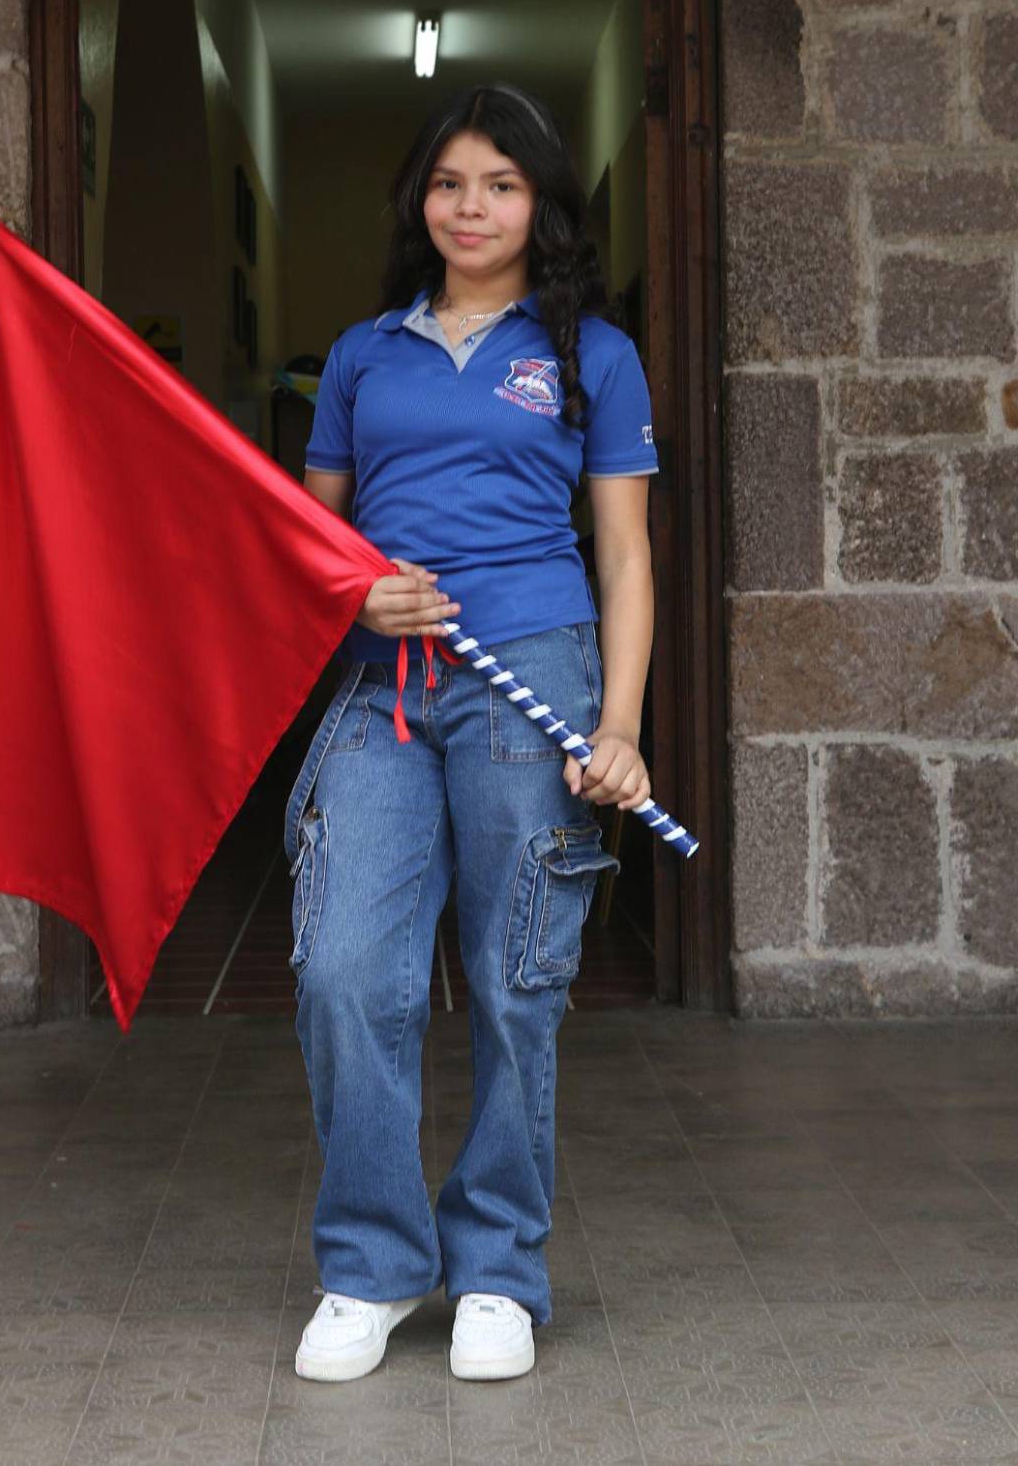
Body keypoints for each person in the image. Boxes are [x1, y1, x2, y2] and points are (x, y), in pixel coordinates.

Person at [284, 81, 658, 1383]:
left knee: (516, 981)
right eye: (449, 183)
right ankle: (373, 1265)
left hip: (532, 677)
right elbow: (307, 540)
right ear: (419, 202)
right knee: (346, 972)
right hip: (381, 689)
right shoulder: (361, 354)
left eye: (500, 183)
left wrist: (621, 726)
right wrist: (354, 585)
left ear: (541, 202)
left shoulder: (594, 355)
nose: (472, 206)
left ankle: (498, 1265)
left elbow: (623, 554)